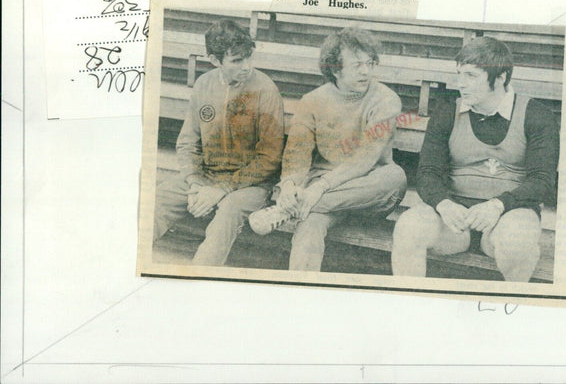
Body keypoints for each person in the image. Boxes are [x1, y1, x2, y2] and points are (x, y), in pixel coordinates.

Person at [391, 36, 559, 282]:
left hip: (507, 216)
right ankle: (410, 309)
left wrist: (497, 205)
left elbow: (543, 181)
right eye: (459, 75)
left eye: (471, 76)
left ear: (500, 77)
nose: (461, 84)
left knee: (518, 240)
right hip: (454, 221)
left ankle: (513, 311)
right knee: (408, 226)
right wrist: (444, 204)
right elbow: (427, 172)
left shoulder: (536, 114)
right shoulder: (448, 111)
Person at [249, 27, 407, 272]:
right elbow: (297, 154)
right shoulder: (312, 100)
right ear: (335, 68)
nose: (366, 71)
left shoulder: (386, 99)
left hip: (367, 192)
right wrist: (290, 186)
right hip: (318, 196)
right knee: (310, 223)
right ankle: (300, 292)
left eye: (370, 63)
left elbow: (366, 158)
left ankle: (287, 211)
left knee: (395, 176)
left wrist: (318, 189)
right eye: (357, 65)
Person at [153, 19, 285, 266]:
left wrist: (222, 189)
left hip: (251, 184)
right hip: (205, 177)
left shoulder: (266, 90)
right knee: (159, 198)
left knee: (228, 213)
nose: (246, 66)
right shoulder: (204, 84)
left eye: (248, 57)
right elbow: (188, 143)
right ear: (215, 60)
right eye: (236, 61)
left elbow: (270, 158)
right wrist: (194, 183)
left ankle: (198, 280)